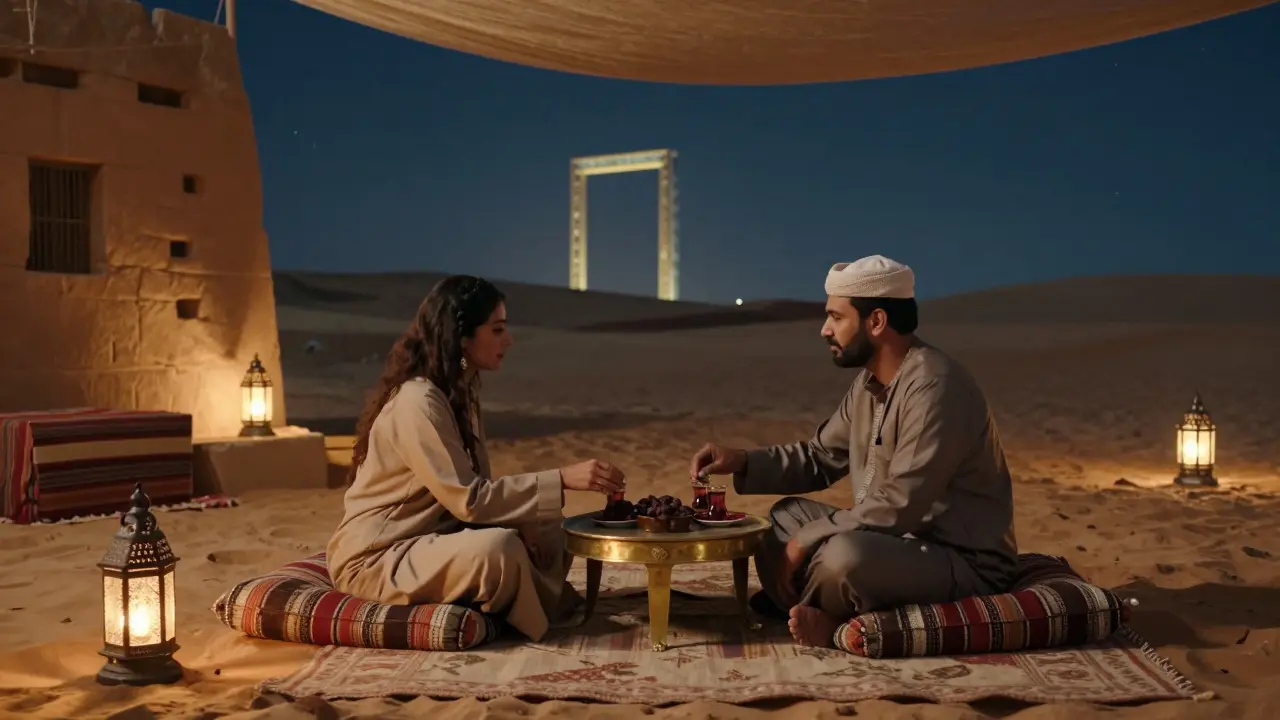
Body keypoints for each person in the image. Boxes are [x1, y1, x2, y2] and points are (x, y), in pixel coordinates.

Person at [688, 255, 1017, 647]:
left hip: (961, 560)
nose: (825, 330)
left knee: (844, 555)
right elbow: (818, 457)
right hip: (894, 543)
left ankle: (835, 624)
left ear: (876, 321)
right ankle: (819, 604)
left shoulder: (934, 386)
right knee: (783, 518)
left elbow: (900, 504)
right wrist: (741, 460)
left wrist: (806, 541)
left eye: (836, 317)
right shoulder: (868, 384)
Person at [327, 275, 627, 641]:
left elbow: (477, 490)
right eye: (497, 329)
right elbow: (469, 499)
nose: (509, 340)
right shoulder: (418, 402)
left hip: (434, 536)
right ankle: (525, 615)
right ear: (463, 336)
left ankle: (519, 603)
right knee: (499, 550)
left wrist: (522, 519)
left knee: (549, 524)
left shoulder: (459, 390)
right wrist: (562, 478)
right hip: (378, 557)